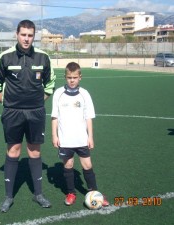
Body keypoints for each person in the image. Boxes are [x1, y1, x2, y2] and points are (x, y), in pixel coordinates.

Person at [0, 19, 56, 213]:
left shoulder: (43, 57)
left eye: (30, 35)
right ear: (16, 34)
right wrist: (8, 104)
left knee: (34, 152)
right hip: (13, 113)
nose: (26, 39)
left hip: (36, 112)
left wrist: (37, 103)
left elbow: (50, 84)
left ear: (34, 36)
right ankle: (9, 197)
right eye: (23, 35)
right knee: (14, 151)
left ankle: (39, 194)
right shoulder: (5, 57)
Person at [51, 62, 109, 207]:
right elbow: (54, 117)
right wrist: (54, 135)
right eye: (69, 77)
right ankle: (71, 193)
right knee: (69, 164)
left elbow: (88, 116)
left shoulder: (84, 94)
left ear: (80, 77)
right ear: (65, 77)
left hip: (81, 138)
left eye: (75, 77)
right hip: (65, 139)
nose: (72, 80)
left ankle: (95, 193)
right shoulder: (58, 93)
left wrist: (90, 137)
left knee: (87, 165)